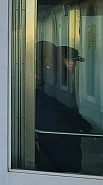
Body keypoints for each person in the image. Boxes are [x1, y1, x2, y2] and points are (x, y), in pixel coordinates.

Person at [34, 41, 92, 173]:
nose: (72, 64)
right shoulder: (61, 78)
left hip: (49, 132)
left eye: (75, 61)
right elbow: (67, 109)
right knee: (67, 169)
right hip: (61, 134)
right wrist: (86, 126)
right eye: (67, 60)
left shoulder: (49, 75)